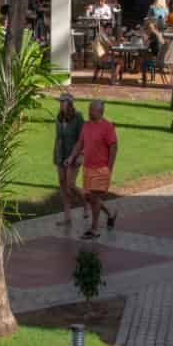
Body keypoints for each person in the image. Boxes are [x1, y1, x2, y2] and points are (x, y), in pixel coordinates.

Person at [73, 97, 118, 238]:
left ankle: (94, 229)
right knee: (91, 198)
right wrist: (71, 157)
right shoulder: (86, 125)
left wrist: (109, 168)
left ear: (99, 111)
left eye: (91, 109)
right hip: (88, 168)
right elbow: (80, 143)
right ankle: (110, 214)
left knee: (94, 197)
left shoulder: (107, 127)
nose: (89, 111)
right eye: (89, 109)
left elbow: (114, 148)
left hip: (101, 168)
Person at [52, 92, 85, 229]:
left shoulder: (78, 118)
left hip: (74, 155)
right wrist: (57, 156)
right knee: (62, 183)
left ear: (69, 103)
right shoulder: (59, 117)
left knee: (71, 184)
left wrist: (80, 155)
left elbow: (83, 138)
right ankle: (67, 217)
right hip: (60, 155)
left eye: (62, 102)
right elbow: (58, 137)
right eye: (59, 102)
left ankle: (86, 203)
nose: (60, 104)